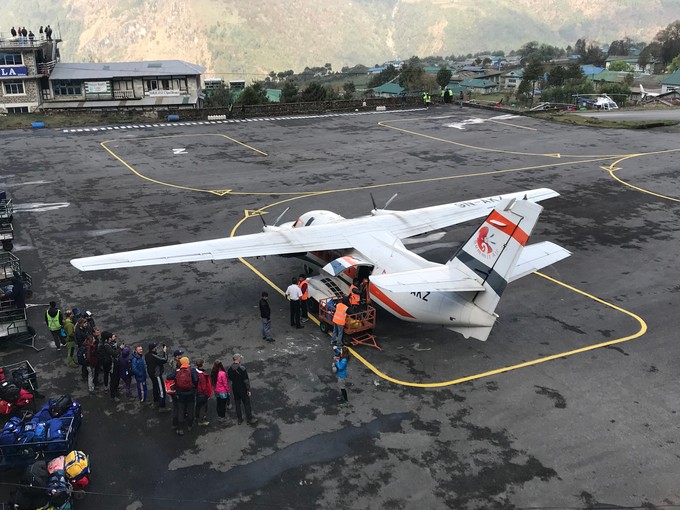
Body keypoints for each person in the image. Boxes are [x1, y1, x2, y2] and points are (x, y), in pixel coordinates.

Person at [167, 356, 198, 436]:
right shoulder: (192, 370)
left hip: (180, 394)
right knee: (190, 408)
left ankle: (180, 428)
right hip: (190, 393)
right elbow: (196, 380)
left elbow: (169, 376)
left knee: (181, 409)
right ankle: (190, 426)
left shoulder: (178, 371)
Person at [227, 354, 257, 425]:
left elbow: (230, 378)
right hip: (243, 389)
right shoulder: (242, 368)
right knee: (246, 403)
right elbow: (246, 380)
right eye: (240, 358)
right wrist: (248, 390)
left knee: (237, 404)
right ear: (237, 359)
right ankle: (249, 419)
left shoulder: (229, 369)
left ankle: (239, 419)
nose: (240, 359)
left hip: (235, 388)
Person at [145, 342, 169, 412]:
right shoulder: (153, 356)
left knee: (155, 387)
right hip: (156, 375)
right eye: (155, 347)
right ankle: (162, 406)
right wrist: (165, 352)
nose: (156, 348)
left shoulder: (147, 355)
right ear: (153, 348)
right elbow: (164, 360)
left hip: (151, 374)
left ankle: (156, 400)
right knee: (161, 390)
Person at [194, 359, 213, 426]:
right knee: (203, 407)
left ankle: (197, 417)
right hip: (202, 394)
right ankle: (201, 420)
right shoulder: (202, 375)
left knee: (198, 406)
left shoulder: (194, 372)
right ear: (202, 365)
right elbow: (204, 387)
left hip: (197, 393)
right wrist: (207, 395)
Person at [108, 336, 124, 400]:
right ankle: (113, 395)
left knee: (117, 378)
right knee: (113, 381)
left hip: (117, 364)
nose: (115, 337)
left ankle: (116, 389)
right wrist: (120, 348)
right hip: (112, 366)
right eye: (113, 336)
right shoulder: (108, 346)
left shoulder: (113, 343)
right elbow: (114, 353)